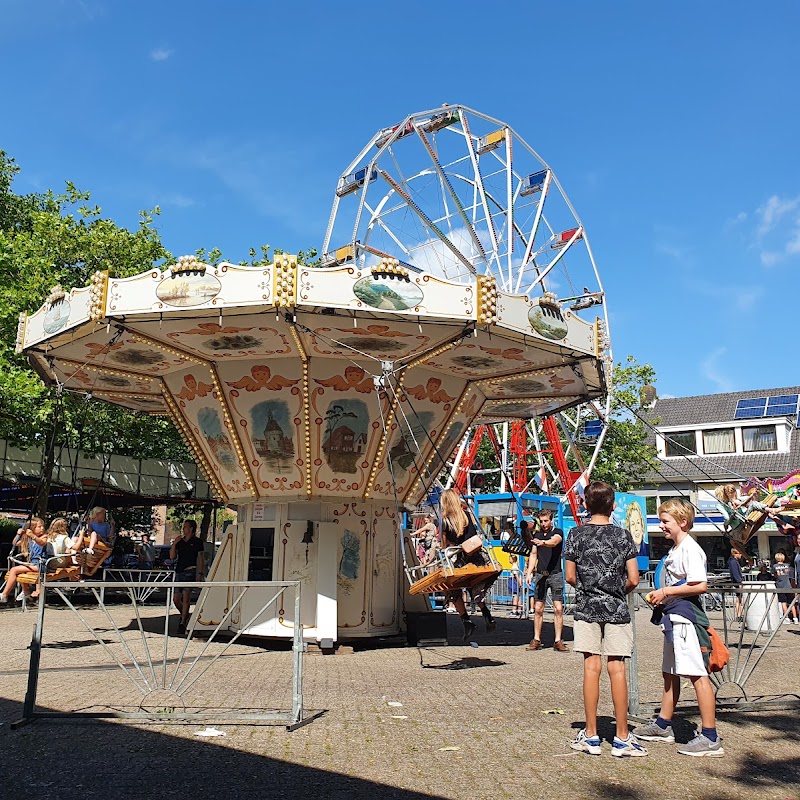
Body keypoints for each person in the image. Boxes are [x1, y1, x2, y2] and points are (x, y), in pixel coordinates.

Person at [635, 498, 724, 757]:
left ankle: (710, 735)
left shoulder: (690, 549)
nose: (661, 526)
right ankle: (664, 723)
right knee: (670, 671)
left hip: (685, 618)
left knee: (697, 674)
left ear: (682, 522)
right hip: (673, 617)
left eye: (665, 521)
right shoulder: (677, 549)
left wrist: (665, 591)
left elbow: (699, 584)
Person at [564, 481, 645, 757]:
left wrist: (590, 590)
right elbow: (633, 578)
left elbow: (570, 576)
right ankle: (622, 737)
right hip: (616, 609)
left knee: (591, 667)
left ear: (585, 505)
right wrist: (614, 591)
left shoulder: (575, 535)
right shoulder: (623, 536)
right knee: (617, 668)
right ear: (612, 506)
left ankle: (591, 735)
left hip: (587, 607)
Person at [438, 488, 496, 639]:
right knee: (474, 588)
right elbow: (473, 537)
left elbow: (445, 548)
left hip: (460, 560)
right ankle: (486, 614)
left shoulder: (445, 521)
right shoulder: (468, 515)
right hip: (477, 558)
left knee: (453, 589)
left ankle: (466, 620)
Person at [524, 509, 568, 651]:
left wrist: (543, 542)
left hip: (555, 574)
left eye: (546, 521)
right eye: (541, 521)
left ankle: (558, 641)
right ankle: (536, 639)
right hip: (540, 575)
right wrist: (529, 572)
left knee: (558, 609)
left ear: (551, 520)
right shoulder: (536, 535)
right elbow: (533, 554)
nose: (543, 524)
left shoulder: (558, 532)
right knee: (538, 608)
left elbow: (554, 542)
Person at [0, 517, 48, 604]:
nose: (42, 528)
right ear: (32, 529)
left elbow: (41, 543)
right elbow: (15, 543)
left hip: (41, 564)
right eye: (39, 527)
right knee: (20, 572)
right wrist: (18, 534)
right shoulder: (28, 539)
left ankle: (4, 595)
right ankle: (25, 591)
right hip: (33, 564)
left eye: (42, 526)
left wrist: (33, 536)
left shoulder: (44, 537)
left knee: (14, 570)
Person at [170, 519, 205, 635]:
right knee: (176, 599)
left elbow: (200, 558)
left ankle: (183, 622)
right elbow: (172, 557)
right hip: (179, 571)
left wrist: (199, 573)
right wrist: (175, 544)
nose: (183, 529)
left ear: (191, 529)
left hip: (190, 570)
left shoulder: (198, 542)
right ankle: (184, 614)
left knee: (186, 597)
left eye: (185, 527)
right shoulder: (180, 542)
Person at [773, 551, 798, 624]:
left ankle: (786, 618)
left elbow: (775, 575)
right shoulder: (787, 565)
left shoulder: (775, 566)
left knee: (783, 603)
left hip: (780, 586)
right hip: (788, 586)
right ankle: (795, 618)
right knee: (791, 603)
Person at [727, 545, 750, 620]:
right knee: (739, 598)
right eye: (739, 553)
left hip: (737, 581)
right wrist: (739, 582)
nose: (741, 555)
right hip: (737, 582)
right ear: (735, 554)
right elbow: (735, 573)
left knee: (739, 598)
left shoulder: (733, 561)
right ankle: (739, 614)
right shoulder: (733, 562)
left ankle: (740, 614)